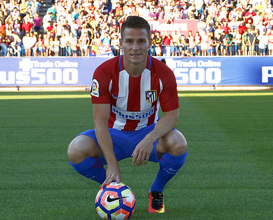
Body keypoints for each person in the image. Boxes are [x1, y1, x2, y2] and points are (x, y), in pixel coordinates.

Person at [67, 16, 188, 214]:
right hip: (113, 134)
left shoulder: (164, 73)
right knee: (76, 150)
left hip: (148, 132)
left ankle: (156, 191)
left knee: (179, 143)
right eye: (129, 41)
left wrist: (150, 138)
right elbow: (100, 121)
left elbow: (172, 116)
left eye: (141, 41)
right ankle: (114, 187)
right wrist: (112, 165)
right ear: (121, 42)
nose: (135, 47)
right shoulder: (104, 73)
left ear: (149, 42)